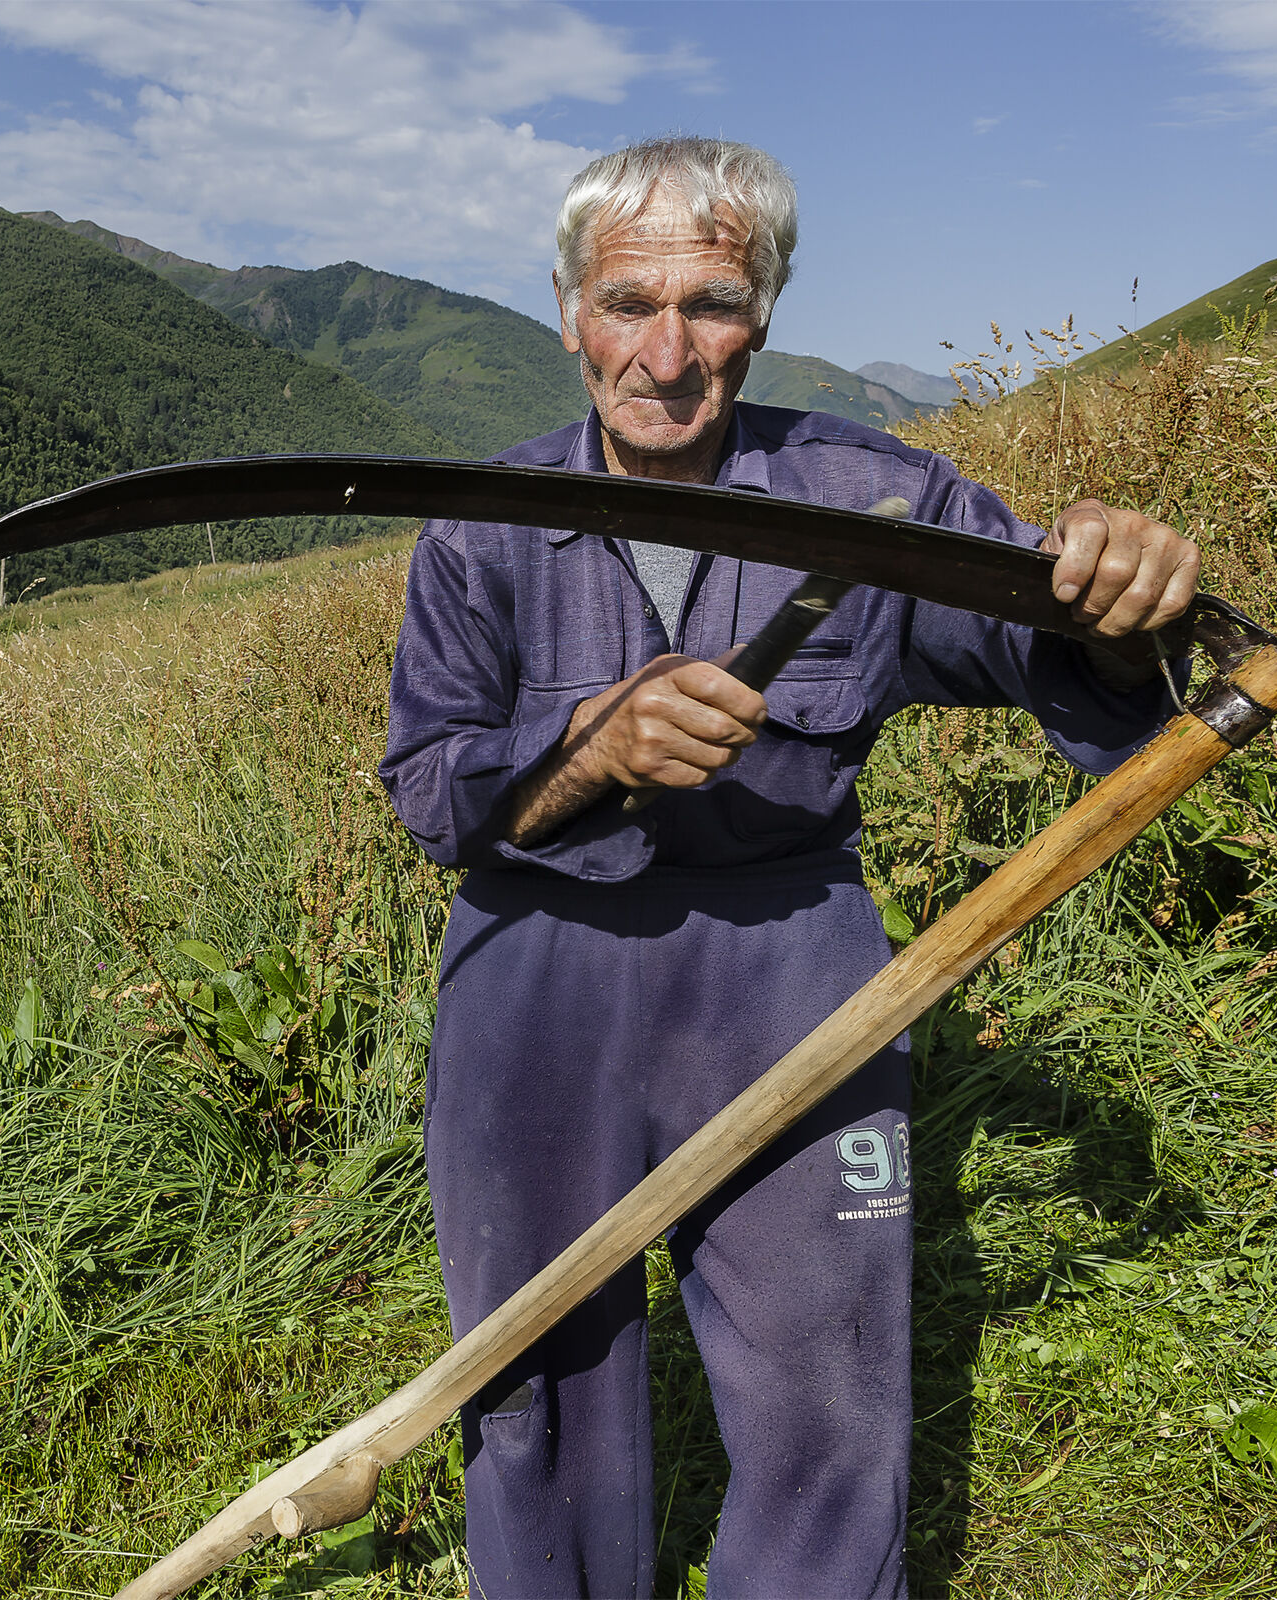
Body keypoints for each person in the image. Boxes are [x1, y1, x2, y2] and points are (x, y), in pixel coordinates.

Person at [377, 137, 1198, 1600]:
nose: (667, 351)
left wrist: (1111, 603)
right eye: (627, 301)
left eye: (712, 304)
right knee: (531, 1387)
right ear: (567, 310)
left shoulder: (873, 499)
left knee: (831, 1392)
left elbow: (1044, 640)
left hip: (790, 961)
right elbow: (433, 789)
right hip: (536, 966)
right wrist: (588, 749)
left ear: (765, 313)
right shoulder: (481, 525)